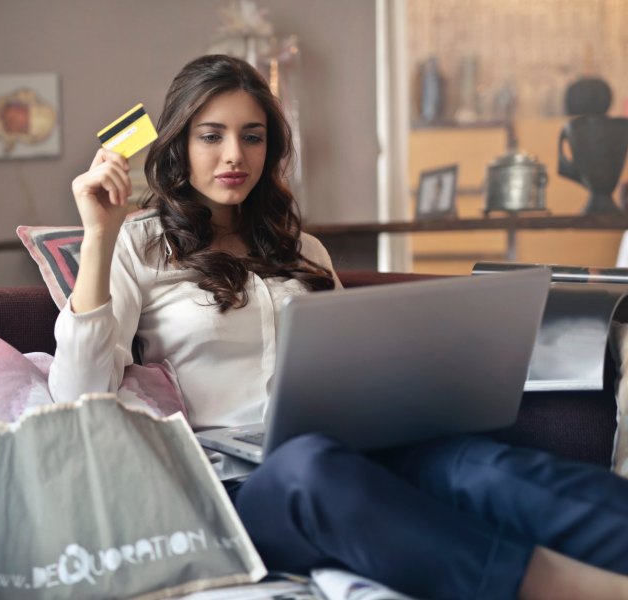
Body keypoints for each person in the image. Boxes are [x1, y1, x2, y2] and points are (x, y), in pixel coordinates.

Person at [49, 54, 628, 600]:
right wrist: (98, 237)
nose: (235, 155)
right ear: (179, 144)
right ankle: (565, 589)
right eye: (212, 135)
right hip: (243, 491)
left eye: (253, 136)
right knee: (309, 470)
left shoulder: (303, 251)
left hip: (357, 451)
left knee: (480, 466)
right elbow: (78, 394)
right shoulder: (139, 246)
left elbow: (357, 364)